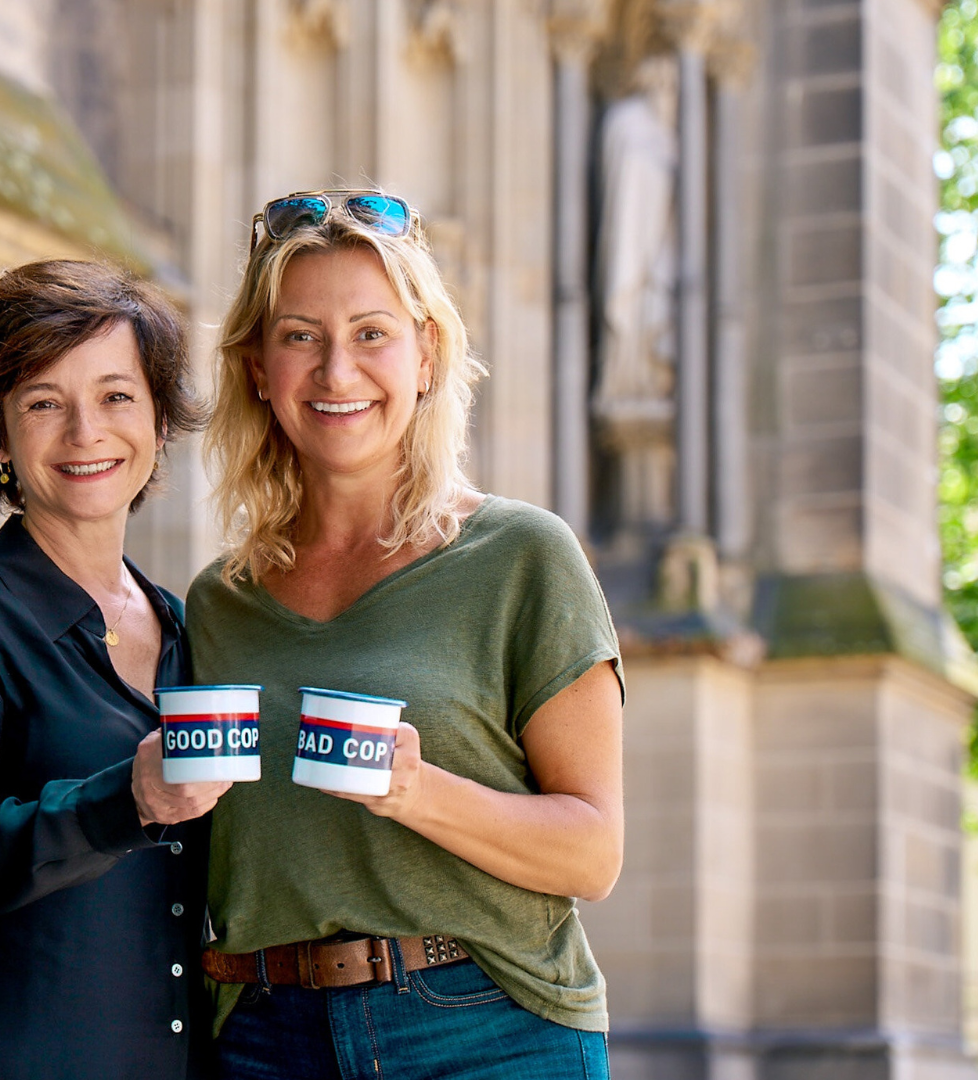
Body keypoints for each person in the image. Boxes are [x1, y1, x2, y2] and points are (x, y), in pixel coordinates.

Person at [186, 190, 626, 1079]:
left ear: (426, 355)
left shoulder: (521, 556)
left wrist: (419, 792)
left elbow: (593, 854)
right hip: (265, 1038)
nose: (336, 371)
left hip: (485, 1030)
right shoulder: (219, 602)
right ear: (258, 367)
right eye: (301, 335)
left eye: (371, 334)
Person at [0, 260, 225, 1080]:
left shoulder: (191, 632)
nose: (85, 432)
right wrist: (128, 799)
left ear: (159, 421)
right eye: (43, 403)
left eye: (116, 396)